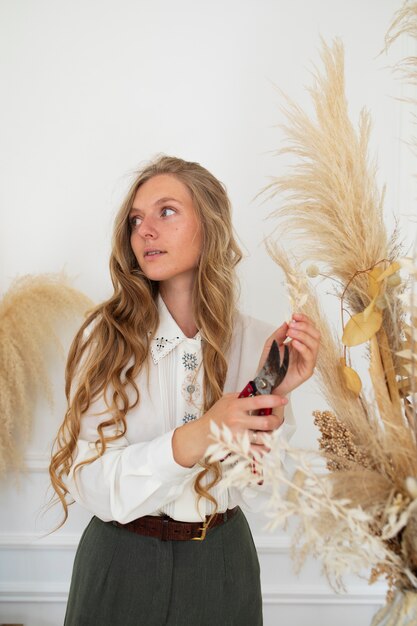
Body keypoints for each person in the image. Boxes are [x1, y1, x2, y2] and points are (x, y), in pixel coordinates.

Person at [49, 155, 320, 626]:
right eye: (136, 219)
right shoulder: (104, 340)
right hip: (119, 562)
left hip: (221, 564)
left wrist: (274, 390)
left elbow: (259, 491)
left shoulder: (258, 343)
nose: (145, 231)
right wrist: (194, 438)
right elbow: (90, 483)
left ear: (209, 225)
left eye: (166, 211)